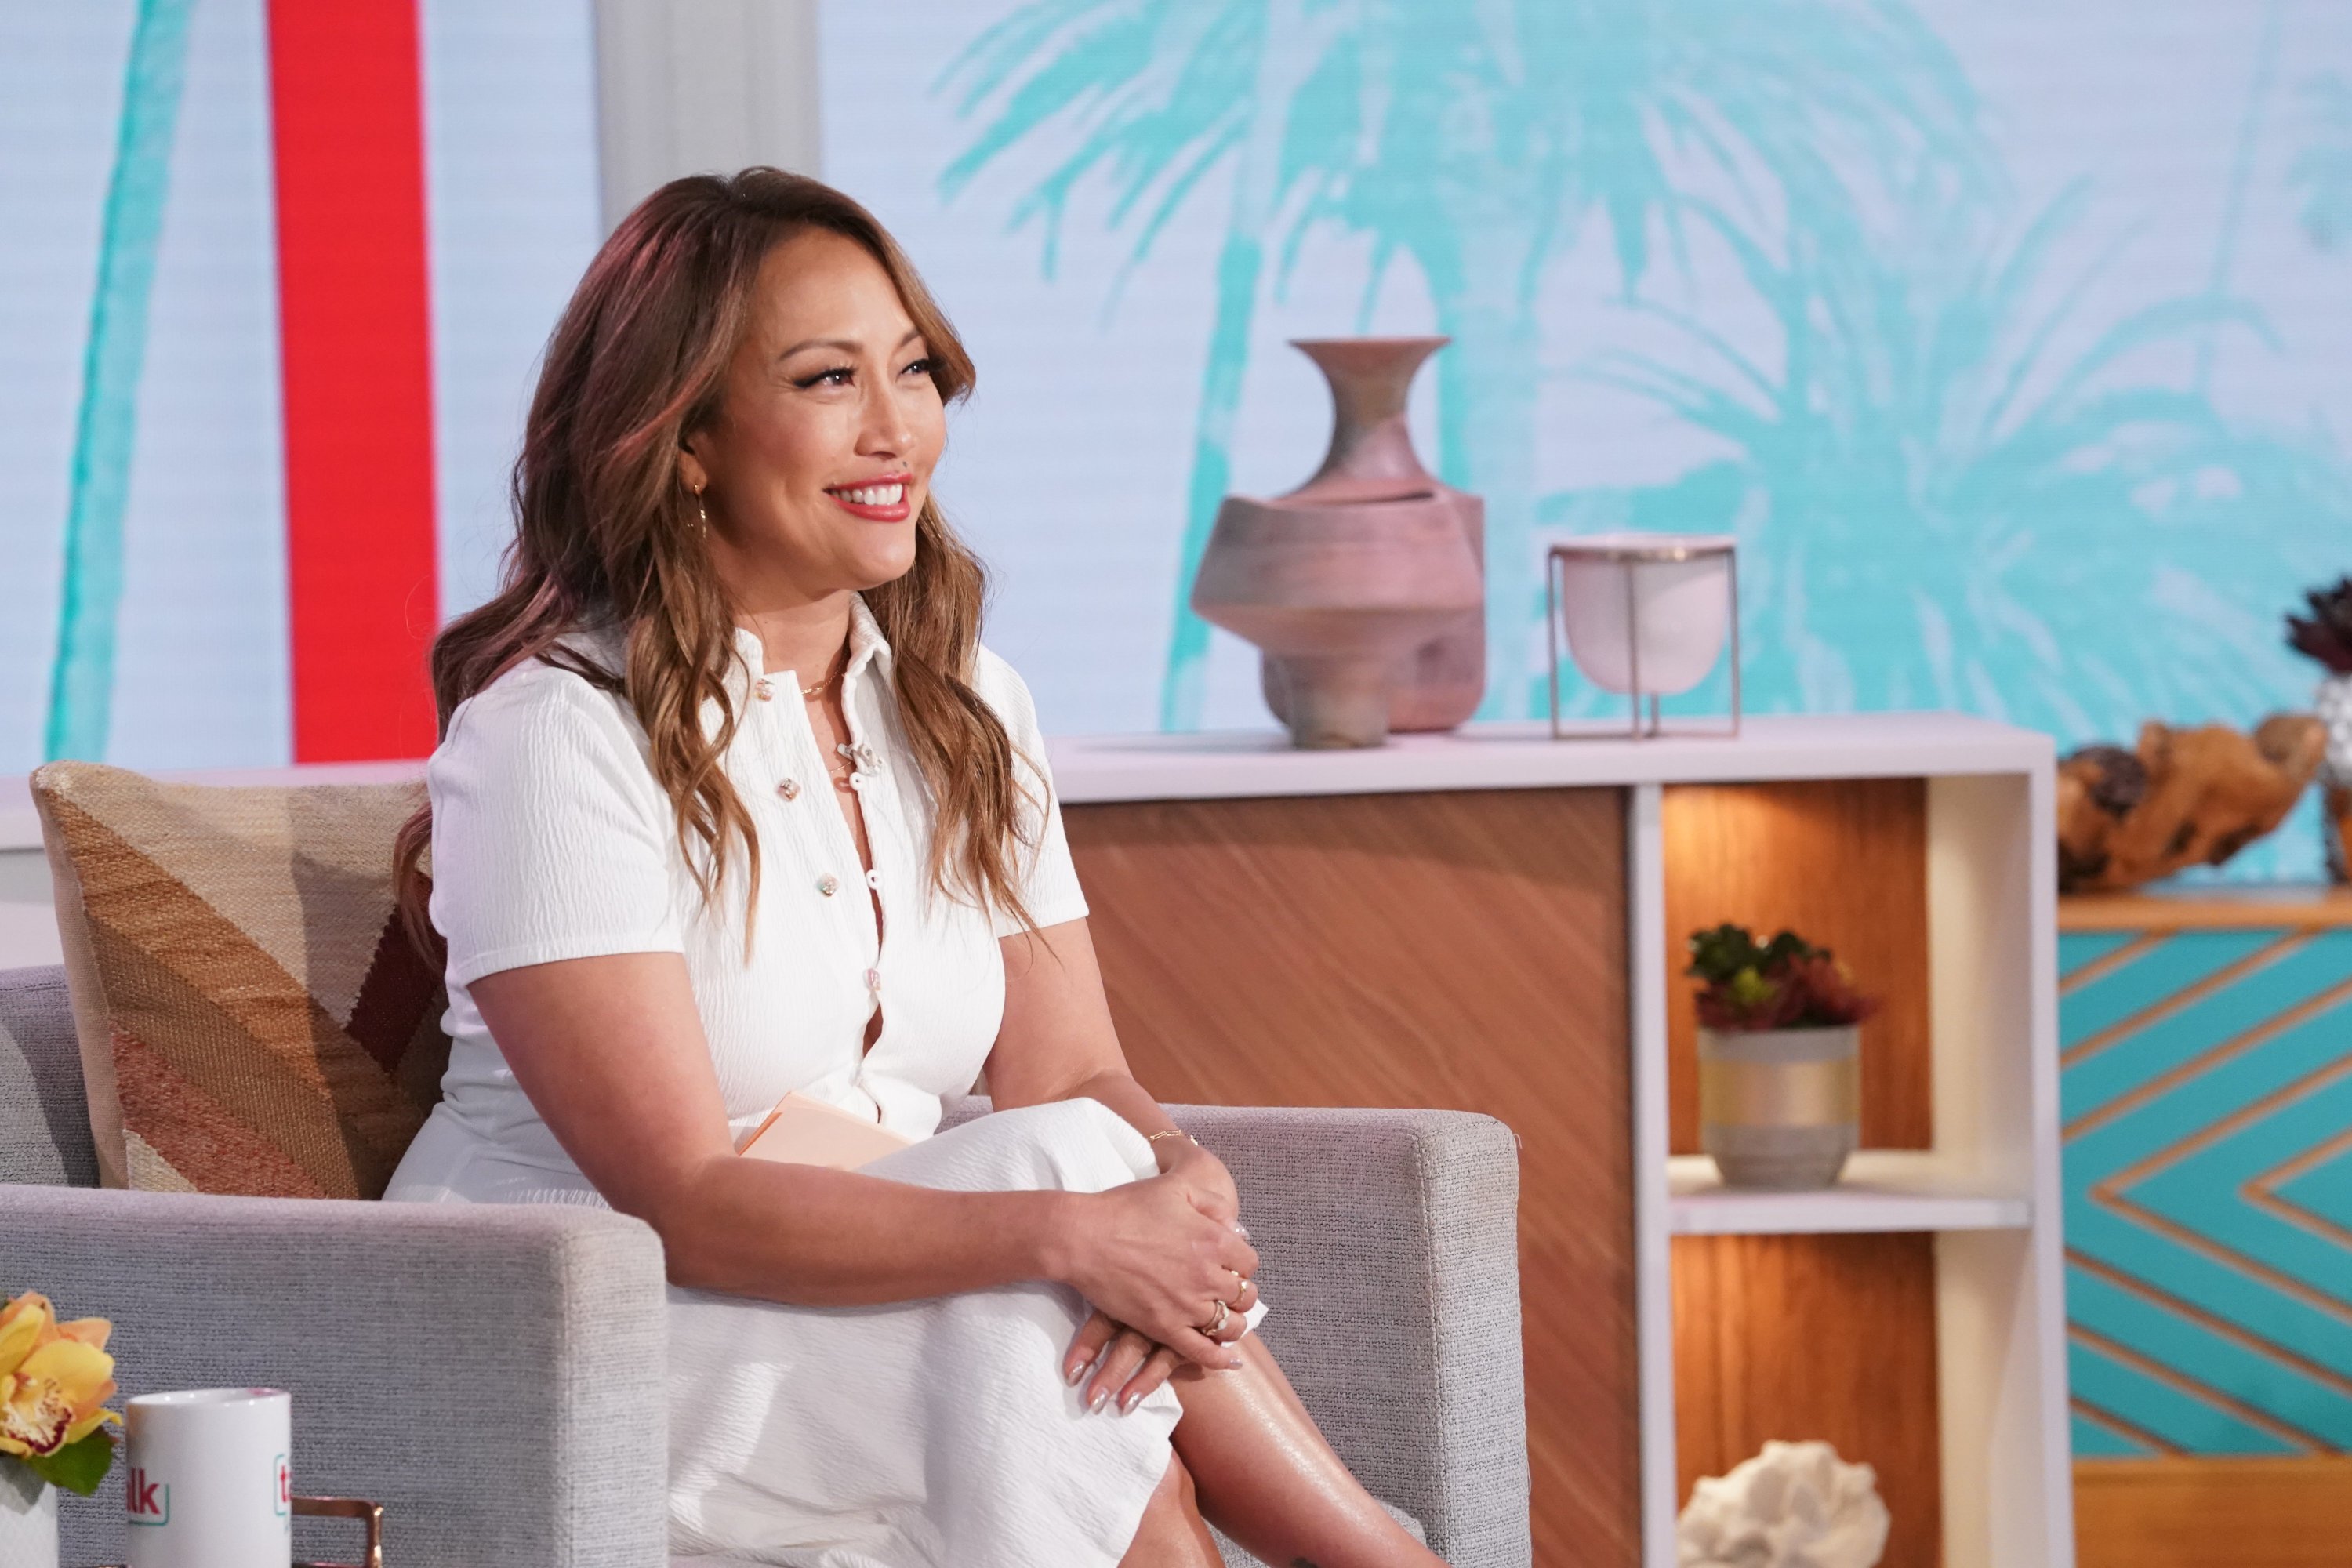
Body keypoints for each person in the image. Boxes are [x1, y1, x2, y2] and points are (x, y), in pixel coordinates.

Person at [383, 168, 1449, 1568]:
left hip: (893, 1295)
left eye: (917, 371)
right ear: (686, 435)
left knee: (1066, 1252)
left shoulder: (964, 701)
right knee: (1048, 1276)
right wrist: (1077, 1233)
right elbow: (684, 1202)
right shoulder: (556, 736)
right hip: (600, 1323)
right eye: (829, 379)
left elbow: (1072, 1077)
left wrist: (1177, 1192)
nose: (899, 428)